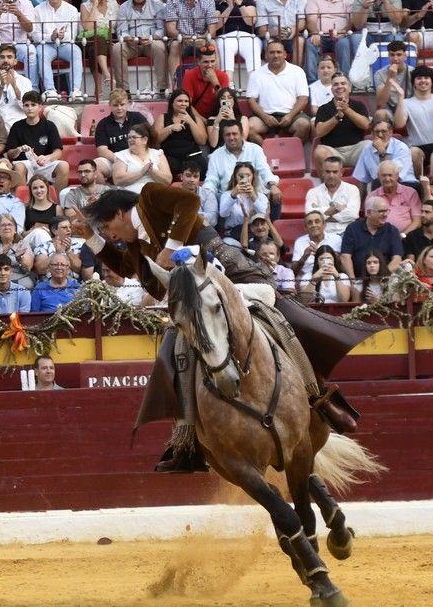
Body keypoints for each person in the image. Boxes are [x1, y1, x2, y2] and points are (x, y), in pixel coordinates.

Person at [75, 183, 377, 471]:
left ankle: (322, 399)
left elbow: (189, 202)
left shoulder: (150, 196)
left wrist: (172, 246)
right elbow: (127, 267)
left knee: (282, 315)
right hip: (195, 299)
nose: (109, 234)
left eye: (106, 228)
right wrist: (91, 237)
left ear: (118, 213)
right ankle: (187, 440)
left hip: (229, 271)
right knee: (173, 354)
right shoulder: (135, 245)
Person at [245, 41, 311, 143]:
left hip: (292, 115)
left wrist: (290, 116)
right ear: (266, 55)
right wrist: (265, 117)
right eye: (271, 52)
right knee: (249, 126)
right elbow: (251, 100)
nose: (275, 55)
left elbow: (303, 98)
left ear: (285, 54)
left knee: (304, 125)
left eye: (279, 52)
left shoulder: (297, 71)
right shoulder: (256, 74)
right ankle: (266, 154)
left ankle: (290, 154)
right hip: (265, 116)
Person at [6, 91, 68, 188]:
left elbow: (58, 152)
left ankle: (59, 201)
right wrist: (19, 149)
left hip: (45, 163)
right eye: (26, 105)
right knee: (19, 167)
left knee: (64, 166)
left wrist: (47, 157)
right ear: (23, 107)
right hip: (25, 163)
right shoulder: (16, 126)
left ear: (40, 107)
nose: (29, 108)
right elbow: (10, 154)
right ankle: (23, 202)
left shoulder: (49, 126)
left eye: (33, 105)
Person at [339, 194, 406, 276]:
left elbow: (397, 259)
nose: (385, 215)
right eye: (381, 211)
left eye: (387, 211)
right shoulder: (353, 228)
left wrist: (381, 279)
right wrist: (353, 281)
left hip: (384, 280)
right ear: (368, 213)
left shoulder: (392, 230)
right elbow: (345, 257)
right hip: (357, 279)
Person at [306, 155, 361, 236]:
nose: (331, 175)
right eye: (327, 172)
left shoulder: (352, 189)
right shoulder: (313, 192)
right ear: (322, 172)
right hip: (323, 236)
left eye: (335, 172)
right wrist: (336, 209)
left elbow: (353, 214)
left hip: (347, 234)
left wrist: (321, 212)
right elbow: (310, 215)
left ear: (341, 172)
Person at [113, 124, 171, 194]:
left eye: (134, 137)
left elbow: (167, 180)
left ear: (144, 140)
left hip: (155, 194)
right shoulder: (122, 155)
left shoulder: (157, 154)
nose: (130, 140)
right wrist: (142, 172)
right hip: (130, 196)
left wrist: (152, 171)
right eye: (129, 137)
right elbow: (118, 180)